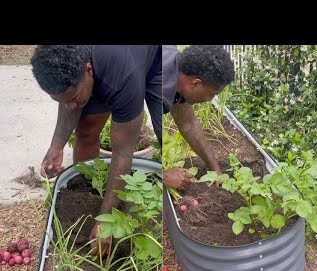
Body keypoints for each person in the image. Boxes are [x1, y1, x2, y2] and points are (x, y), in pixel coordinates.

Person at [31, 45, 162, 257]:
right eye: (63, 101)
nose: (71, 107)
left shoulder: (122, 78)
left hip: (153, 58)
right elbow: (68, 100)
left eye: (73, 98)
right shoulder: (65, 57)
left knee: (163, 127)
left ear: (88, 70)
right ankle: (91, 195)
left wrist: (106, 222)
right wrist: (56, 145)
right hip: (107, 63)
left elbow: (123, 152)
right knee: (87, 128)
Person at [160, 45, 235, 190]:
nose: (210, 99)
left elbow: (188, 123)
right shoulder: (157, 90)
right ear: (196, 83)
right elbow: (124, 141)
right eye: (212, 94)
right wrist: (163, 175)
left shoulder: (179, 71)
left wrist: (215, 170)